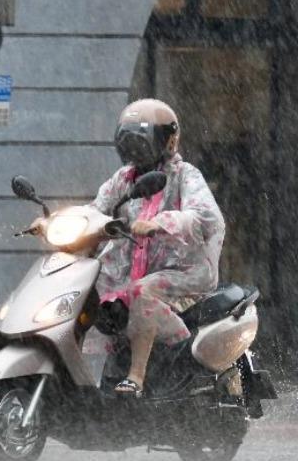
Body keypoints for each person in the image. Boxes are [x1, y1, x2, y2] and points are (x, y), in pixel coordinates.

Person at [85, 98, 225, 397]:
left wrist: (161, 222)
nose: (136, 149)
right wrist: (62, 223)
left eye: (143, 141)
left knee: (142, 292)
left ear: (168, 139)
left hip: (184, 271)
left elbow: (206, 217)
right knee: (88, 288)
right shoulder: (123, 179)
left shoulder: (185, 175)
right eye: (130, 142)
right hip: (136, 267)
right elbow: (97, 209)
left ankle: (135, 378)